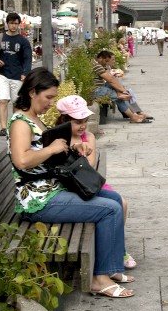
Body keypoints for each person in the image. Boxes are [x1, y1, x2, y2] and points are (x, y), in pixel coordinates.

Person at [8, 71, 134, 297]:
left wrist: (72, 148)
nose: (50, 103)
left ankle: (111, 268)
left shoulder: (34, 119)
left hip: (50, 190)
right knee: (110, 210)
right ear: (32, 92)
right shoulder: (20, 123)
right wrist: (51, 149)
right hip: (38, 201)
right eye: (48, 97)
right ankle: (99, 279)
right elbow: (22, 159)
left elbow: (43, 154)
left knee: (114, 199)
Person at [54, 95, 135, 266]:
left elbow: (90, 167)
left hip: (89, 183)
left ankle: (119, 249)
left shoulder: (88, 137)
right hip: (71, 187)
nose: (82, 125)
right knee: (112, 206)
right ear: (64, 121)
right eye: (77, 122)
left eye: (85, 120)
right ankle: (113, 250)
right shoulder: (59, 139)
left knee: (123, 203)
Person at [0, 12, 32, 138]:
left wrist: (25, 73)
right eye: (11, 23)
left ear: (19, 25)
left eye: (16, 23)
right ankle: (3, 128)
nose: (13, 26)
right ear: (7, 24)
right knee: (3, 100)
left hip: (17, 75)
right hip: (2, 73)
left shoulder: (23, 41)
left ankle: (14, 126)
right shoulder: (0, 37)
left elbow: (27, 58)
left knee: (16, 103)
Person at [92, 50, 152, 123]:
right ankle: (134, 116)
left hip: (101, 88)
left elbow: (112, 79)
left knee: (121, 89)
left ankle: (136, 113)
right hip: (96, 90)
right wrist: (122, 92)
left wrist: (121, 91)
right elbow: (110, 79)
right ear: (100, 58)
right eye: (106, 61)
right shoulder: (96, 65)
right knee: (120, 97)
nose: (107, 63)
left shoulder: (100, 65)